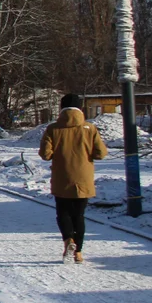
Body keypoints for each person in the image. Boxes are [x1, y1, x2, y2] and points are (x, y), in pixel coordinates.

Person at [38, 93, 108, 263]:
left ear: (62, 108)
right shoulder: (90, 128)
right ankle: (78, 252)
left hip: (62, 178)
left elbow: (45, 154)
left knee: (63, 213)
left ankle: (68, 240)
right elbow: (101, 153)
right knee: (79, 215)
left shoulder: (53, 129)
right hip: (83, 178)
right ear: (80, 108)